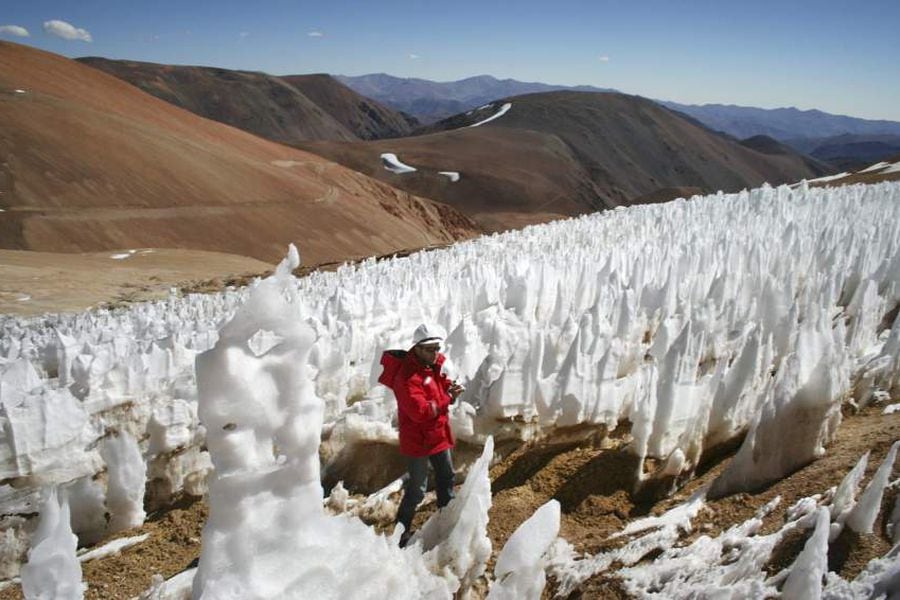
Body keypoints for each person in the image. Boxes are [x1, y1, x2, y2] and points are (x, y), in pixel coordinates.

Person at [378, 323, 464, 547]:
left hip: (436, 436)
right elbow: (420, 411)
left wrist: (448, 386)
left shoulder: (428, 368)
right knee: (417, 490)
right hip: (418, 442)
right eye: (430, 349)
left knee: (446, 477)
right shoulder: (406, 378)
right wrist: (447, 398)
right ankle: (401, 532)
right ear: (416, 349)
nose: (436, 353)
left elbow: (433, 384)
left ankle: (446, 520)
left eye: (437, 348)